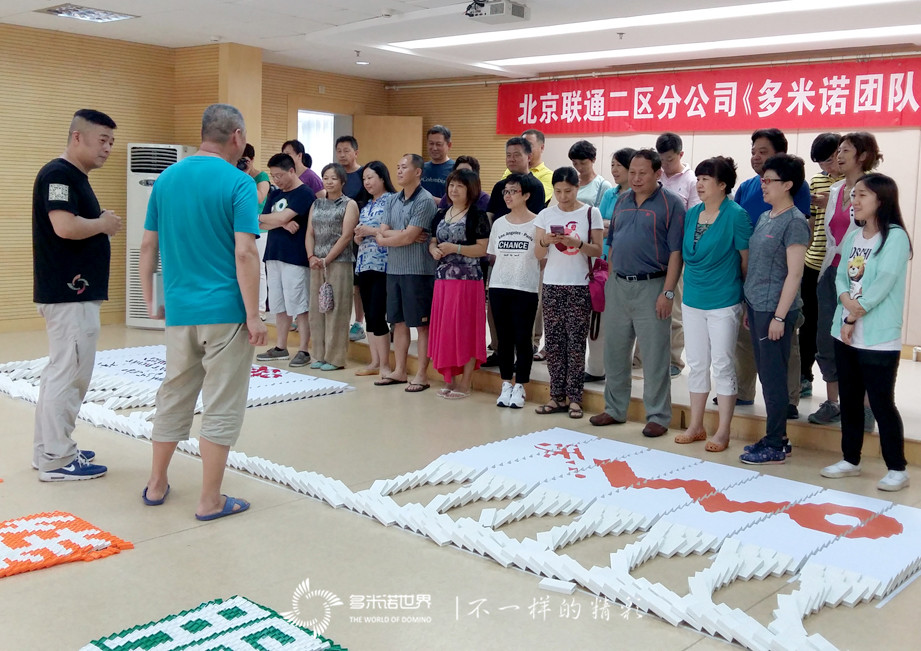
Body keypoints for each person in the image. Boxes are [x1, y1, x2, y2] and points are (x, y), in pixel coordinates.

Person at [140, 103, 267, 518]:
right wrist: (254, 315)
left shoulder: (166, 179)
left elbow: (148, 245)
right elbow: (245, 252)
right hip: (226, 310)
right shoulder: (239, 183)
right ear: (236, 136)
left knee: (174, 394)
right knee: (221, 401)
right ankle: (210, 499)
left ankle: (156, 483)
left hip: (180, 309)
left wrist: (152, 299)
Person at [32, 108, 121, 481]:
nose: (108, 148)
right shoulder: (59, 175)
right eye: (102, 140)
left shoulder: (72, 177)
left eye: (111, 142)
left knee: (61, 372)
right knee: (69, 375)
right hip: (69, 293)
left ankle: (48, 449)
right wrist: (103, 223)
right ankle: (57, 457)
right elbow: (65, 226)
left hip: (72, 293)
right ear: (77, 137)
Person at [820, 173, 912, 491]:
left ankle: (897, 468)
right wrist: (845, 302)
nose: (854, 201)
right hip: (845, 331)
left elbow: (882, 284)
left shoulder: (895, 237)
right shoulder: (853, 235)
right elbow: (841, 277)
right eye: (854, 195)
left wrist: (852, 315)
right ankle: (850, 459)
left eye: (862, 195)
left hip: (877, 335)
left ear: (880, 200)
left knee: (881, 402)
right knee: (850, 399)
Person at [590, 149, 684, 437]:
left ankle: (657, 416)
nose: (636, 178)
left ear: (658, 173)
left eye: (643, 173)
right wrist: (610, 280)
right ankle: (614, 409)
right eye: (632, 172)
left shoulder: (671, 204)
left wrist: (668, 293)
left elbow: (676, 253)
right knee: (615, 352)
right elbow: (614, 243)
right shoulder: (621, 201)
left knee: (655, 356)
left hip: (653, 285)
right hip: (619, 284)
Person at [728, 128, 811, 421]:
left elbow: (795, 250)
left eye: (763, 152)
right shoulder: (749, 189)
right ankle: (744, 390)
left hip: (780, 279)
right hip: (752, 275)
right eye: (753, 151)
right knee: (746, 339)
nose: (756, 157)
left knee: (785, 345)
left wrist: (780, 313)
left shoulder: (796, 193)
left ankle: (787, 400)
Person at [673, 157, 751, 452]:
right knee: (697, 363)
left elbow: (746, 262)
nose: (700, 184)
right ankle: (696, 425)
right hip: (693, 298)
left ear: (722, 185)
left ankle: (723, 430)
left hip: (724, 300)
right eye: (699, 178)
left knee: (722, 364)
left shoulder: (736, 215)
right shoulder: (693, 213)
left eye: (706, 179)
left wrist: (744, 298)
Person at [738, 154, 809, 465]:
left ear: (788, 184)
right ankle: (775, 437)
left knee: (774, 378)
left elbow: (794, 274)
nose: (763, 185)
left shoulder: (794, 222)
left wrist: (780, 316)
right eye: (762, 180)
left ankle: (776, 443)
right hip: (757, 306)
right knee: (768, 376)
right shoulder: (767, 216)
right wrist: (748, 307)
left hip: (775, 311)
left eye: (769, 181)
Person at [809, 132, 883, 427]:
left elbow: (879, 234)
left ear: (862, 156)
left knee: (859, 339)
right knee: (827, 338)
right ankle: (832, 402)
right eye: (838, 151)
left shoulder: (876, 189)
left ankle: (865, 407)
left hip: (861, 275)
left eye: (846, 151)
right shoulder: (836, 188)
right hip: (832, 270)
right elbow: (830, 235)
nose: (839, 156)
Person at [533, 167, 603, 419]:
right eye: (558, 191)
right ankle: (556, 396)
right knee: (553, 343)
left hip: (579, 285)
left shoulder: (591, 212)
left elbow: (598, 250)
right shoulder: (545, 214)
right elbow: (537, 254)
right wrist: (545, 241)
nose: (563, 197)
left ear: (577, 188)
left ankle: (575, 398)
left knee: (575, 343)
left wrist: (577, 243)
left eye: (568, 191)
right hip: (552, 284)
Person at [376, 153, 438, 393]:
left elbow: (409, 237)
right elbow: (383, 232)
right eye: (398, 167)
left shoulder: (425, 200)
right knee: (398, 322)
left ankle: (422, 374)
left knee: (421, 325)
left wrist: (396, 235)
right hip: (394, 269)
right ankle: (400, 370)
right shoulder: (392, 199)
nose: (399, 171)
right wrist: (399, 235)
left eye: (404, 167)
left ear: (418, 172)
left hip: (418, 271)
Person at [428, 169, 491, 398]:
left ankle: (465, 382)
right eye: (451, 185)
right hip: (443, 280)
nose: (454, 190)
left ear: (470, 189)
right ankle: (450, 379)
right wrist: (433, 250)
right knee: (446, 329)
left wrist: (455, 248)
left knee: (465, 329)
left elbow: (483, 249)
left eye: (460, 186)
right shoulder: (441, 213)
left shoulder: (477, 215)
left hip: (468, 281)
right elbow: (433, 241)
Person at [255, 153, 315, 367]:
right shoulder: (275, 193)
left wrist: (277, 220)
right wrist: (281, 223)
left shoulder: (304, 193)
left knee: (299, 303)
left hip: (295, 257)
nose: (276, 180)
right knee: (278, 304)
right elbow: (261, 224)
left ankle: (304, 349)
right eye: (273, 176)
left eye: (279, 175)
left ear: (291, 171)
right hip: (274, 254)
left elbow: (279, 217)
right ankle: (281, 347)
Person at [488, 173, 540, 408]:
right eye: (505, 192)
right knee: (504, 339)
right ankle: (506, 383)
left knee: (523, 338)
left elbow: (542, 258)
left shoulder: (537, 223)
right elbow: (493, 255)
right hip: (499, 286)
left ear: (526, 195)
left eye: (513, 191)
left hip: (525, 287)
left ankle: (520, 385)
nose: (508, 196)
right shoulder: (499, 223)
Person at [583, 147, 636, 384]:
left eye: (619, 165)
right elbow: (598, 226)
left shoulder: (637, 196)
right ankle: (596, 368)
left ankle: (618, 370)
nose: (614, 170)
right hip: (601, 264)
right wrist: (611, 226)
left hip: (626, 266)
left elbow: (619, 228)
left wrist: (610, 226)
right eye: (612, 165)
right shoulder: (609, 194)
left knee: (622, 323)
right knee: (598, 318)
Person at [305, 163, 360, 371]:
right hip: (316, 263)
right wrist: (311, 256)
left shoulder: (349, 204)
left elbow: (346, 236)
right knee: (316, 309)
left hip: (339, 262)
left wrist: (327, 259)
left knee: (337, 310)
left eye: (334, 178)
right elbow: (310, 232)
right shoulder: (317, 203)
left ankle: (335, 358)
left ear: (342, 182)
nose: (329, 182)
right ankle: (318, 355)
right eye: (326, 178)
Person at [800, 133, 842, 399]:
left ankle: (840, 386)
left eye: (829, 161)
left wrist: (833, 202)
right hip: (814, 260)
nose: (826, 168)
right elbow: (813, 221)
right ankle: (804, 376)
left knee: (836, 325)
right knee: (808, 322)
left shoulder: (860, 181)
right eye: (821, 164)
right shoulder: (817, 181)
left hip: (842, 264)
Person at [656, 132, 700, 377]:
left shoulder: (692, 181)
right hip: (653, 251)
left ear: (681, 154)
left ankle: (674, 360)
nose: (665, 165)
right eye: (661, 159)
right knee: (650, 307)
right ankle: (647, 357)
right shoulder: (656, 175)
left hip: (677, 252)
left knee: (673, 308)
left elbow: (693, 219)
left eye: (670, 159)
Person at [353, 161, 396, 377]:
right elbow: (361, 235)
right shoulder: (367, 204)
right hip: (364, 263)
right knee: (369, 314)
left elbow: (391, 230)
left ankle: (385, 365)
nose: (367, 182)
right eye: (364, 179)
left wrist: (369, 230)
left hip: (383, 265)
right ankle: (375, 362)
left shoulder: (392, 201)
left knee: (378, 314)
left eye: (370, 177)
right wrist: (358, 236)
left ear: (382, 177)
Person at [240, 143, 271, 317]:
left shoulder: (261, 177)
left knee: (258, 268)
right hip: (240, 227)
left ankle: (260, 307)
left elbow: (259, 198)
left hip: (260, 228)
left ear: (252, 159)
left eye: (244, 160)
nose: (241, 163)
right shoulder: (235, 174)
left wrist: (246, 176)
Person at [487, 137, 546, 219]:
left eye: (516, 155)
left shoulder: (536, 186)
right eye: (508, 155)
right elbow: (490, 213)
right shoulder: (499, 186)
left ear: (529, 157)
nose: (511, 159)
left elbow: (536, 219)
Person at [501, 128, 554, 202]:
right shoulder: (510, 170)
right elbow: (500, 195)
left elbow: (535, 198)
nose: (525, 149)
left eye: (529, 145)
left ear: (542, 148)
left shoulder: (548, 175)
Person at [568, 140, 612, 207]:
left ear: (593, 159)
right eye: (575, 163)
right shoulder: (570, 182)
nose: (579, 167)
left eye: (583, 163)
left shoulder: (603, 185)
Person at [421, 125, 454, 199]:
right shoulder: (421, 168)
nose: (434, 148)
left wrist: (434, 201)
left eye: (438, 144)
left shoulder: (455, 169)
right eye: (431, 143)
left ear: (449, 145)